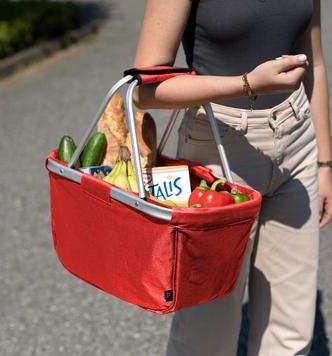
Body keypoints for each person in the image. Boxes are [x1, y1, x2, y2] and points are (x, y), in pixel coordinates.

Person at [132, 1, 332, 355]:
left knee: (292, 333)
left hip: (297, 137)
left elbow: (312, 58)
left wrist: (325, 163)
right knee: (205, 334)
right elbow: (145, 89)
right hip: (218, 150)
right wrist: (246, 84)